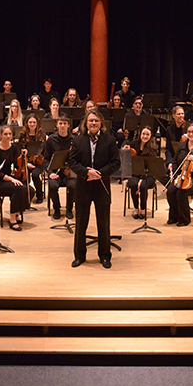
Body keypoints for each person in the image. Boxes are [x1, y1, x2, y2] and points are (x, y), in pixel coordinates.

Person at [69, 109, 120, 268]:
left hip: (101, 185)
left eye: (96, 121)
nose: (93, 123)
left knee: (103, 223)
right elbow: (72, 162)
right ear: (86, 123)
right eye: (90, 120)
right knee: (81, 222)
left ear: (101, 124)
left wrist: (99, 174)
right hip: (83, 185)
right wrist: (86, 173)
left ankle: (105, 255)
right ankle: (79, 255)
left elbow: (115, 163)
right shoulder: (78, 140)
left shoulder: (110, 140)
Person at [0, 124, 30, 231]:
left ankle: (16, 212)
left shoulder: (13, 148)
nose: (8, 136)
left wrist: (24, 158)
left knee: (29, 189)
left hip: (8, 178)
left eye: (10, 134)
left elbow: (17, 165)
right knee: (19, 188)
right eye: (5, 134)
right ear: (1, 135)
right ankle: (12, 218)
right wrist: (12, 179)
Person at [43, 114, 76, 220]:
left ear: (68, 126)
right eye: (60, 123)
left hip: (69, 172)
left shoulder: (74, 140)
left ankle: (69, 209)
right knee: (52, 187)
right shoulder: (51, 140)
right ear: (57, 125)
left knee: (72, 186)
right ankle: (56, 209)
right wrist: (50, 173)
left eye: (65, 124)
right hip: (55, 172)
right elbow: (46, 159)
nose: (62, 126)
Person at [124, 124, 160, 218]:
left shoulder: (153, 148)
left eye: (147, 134)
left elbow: (151, 167)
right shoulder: (133, 144)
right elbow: (127, 160)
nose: (145, 136)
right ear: (140, 134)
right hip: (135, 173)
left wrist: (142, 179)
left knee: (143, 185)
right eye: (143, 134)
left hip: (148, 174)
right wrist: (125, 151)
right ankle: (136, 208)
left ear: (151, 136)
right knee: (133, 184)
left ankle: (143, 209)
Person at [19, 113, 46, 204]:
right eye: (30, 122)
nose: (32, 124)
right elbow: (20, 151)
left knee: (35, 175)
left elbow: (44, 151)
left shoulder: (42, 135)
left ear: (37, 123)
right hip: (26, 162)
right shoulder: (22, 136)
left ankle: (39, 194)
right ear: (27, 123)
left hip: (39, 161)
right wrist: (27, 163)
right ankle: (26, 195)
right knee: (24, 175)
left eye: (34, 122)